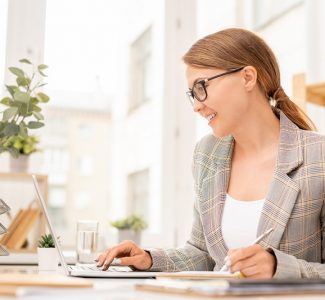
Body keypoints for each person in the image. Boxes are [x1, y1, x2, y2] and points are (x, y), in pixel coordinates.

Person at [97, 28, 325, 279]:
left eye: (201, 87)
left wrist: (279, 268)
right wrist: (150, 259)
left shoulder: (318, 156)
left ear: (248, 77)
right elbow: (204, 254)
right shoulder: (207, 154)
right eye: (192, 94)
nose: (196, 105)